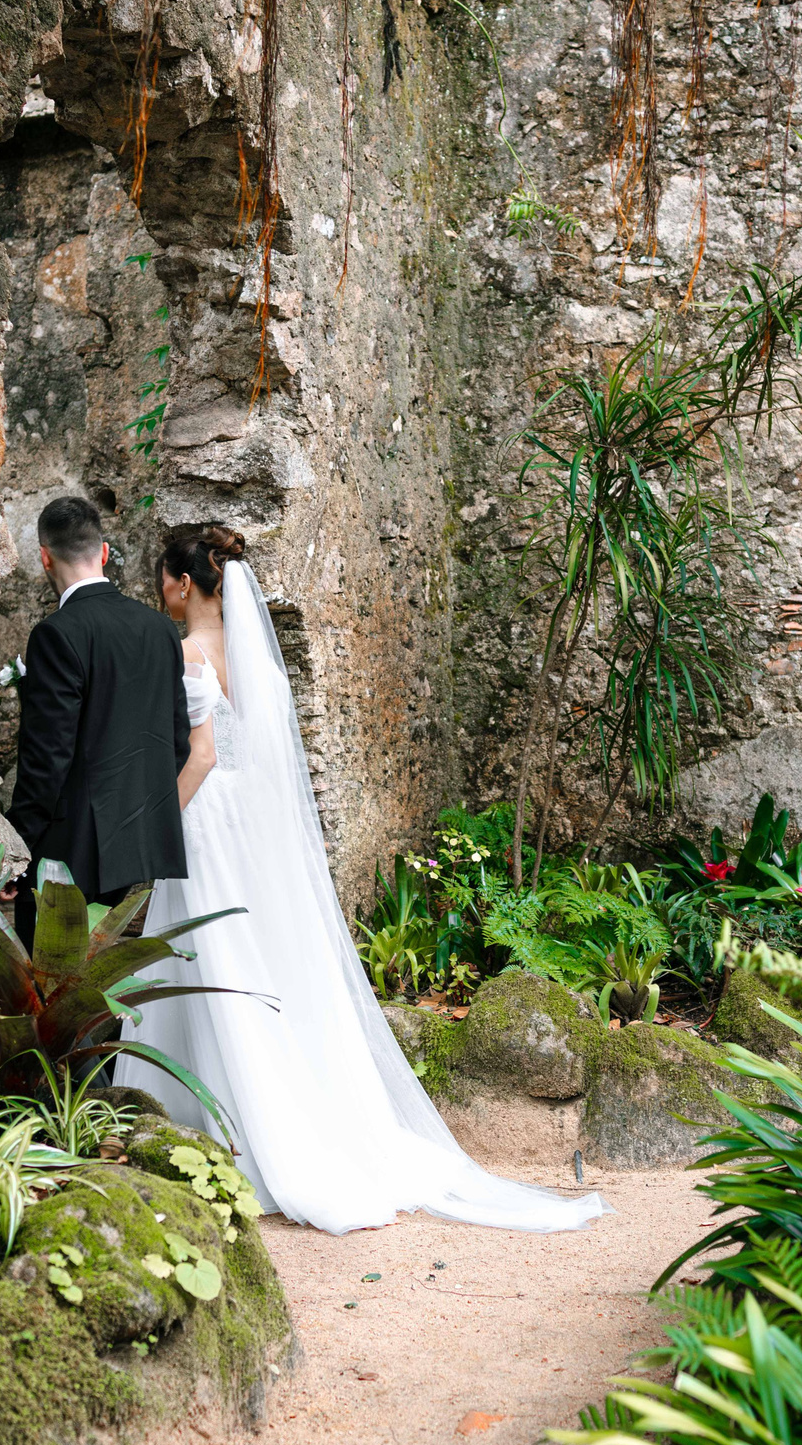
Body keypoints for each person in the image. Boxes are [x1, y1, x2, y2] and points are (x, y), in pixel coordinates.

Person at [116, 522, 610, 1235]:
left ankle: (222, 1127)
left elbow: (199, 755)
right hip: (250, 824)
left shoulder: (184, 654)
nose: (159, 588)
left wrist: (160, 824)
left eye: (163, 576)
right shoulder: (259, 664)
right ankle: (250, 1117)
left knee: (205, 958)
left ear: (183, 582)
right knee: (247, 961)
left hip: (205, 816)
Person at [4, 496, 190, 947]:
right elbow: (177, 738)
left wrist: (16, 851)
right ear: (103, 552)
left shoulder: (57, 633)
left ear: (45, 557)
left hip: (68, 849)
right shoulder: (160, 627)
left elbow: (47, 759)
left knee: (50, 980)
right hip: (136, 843)